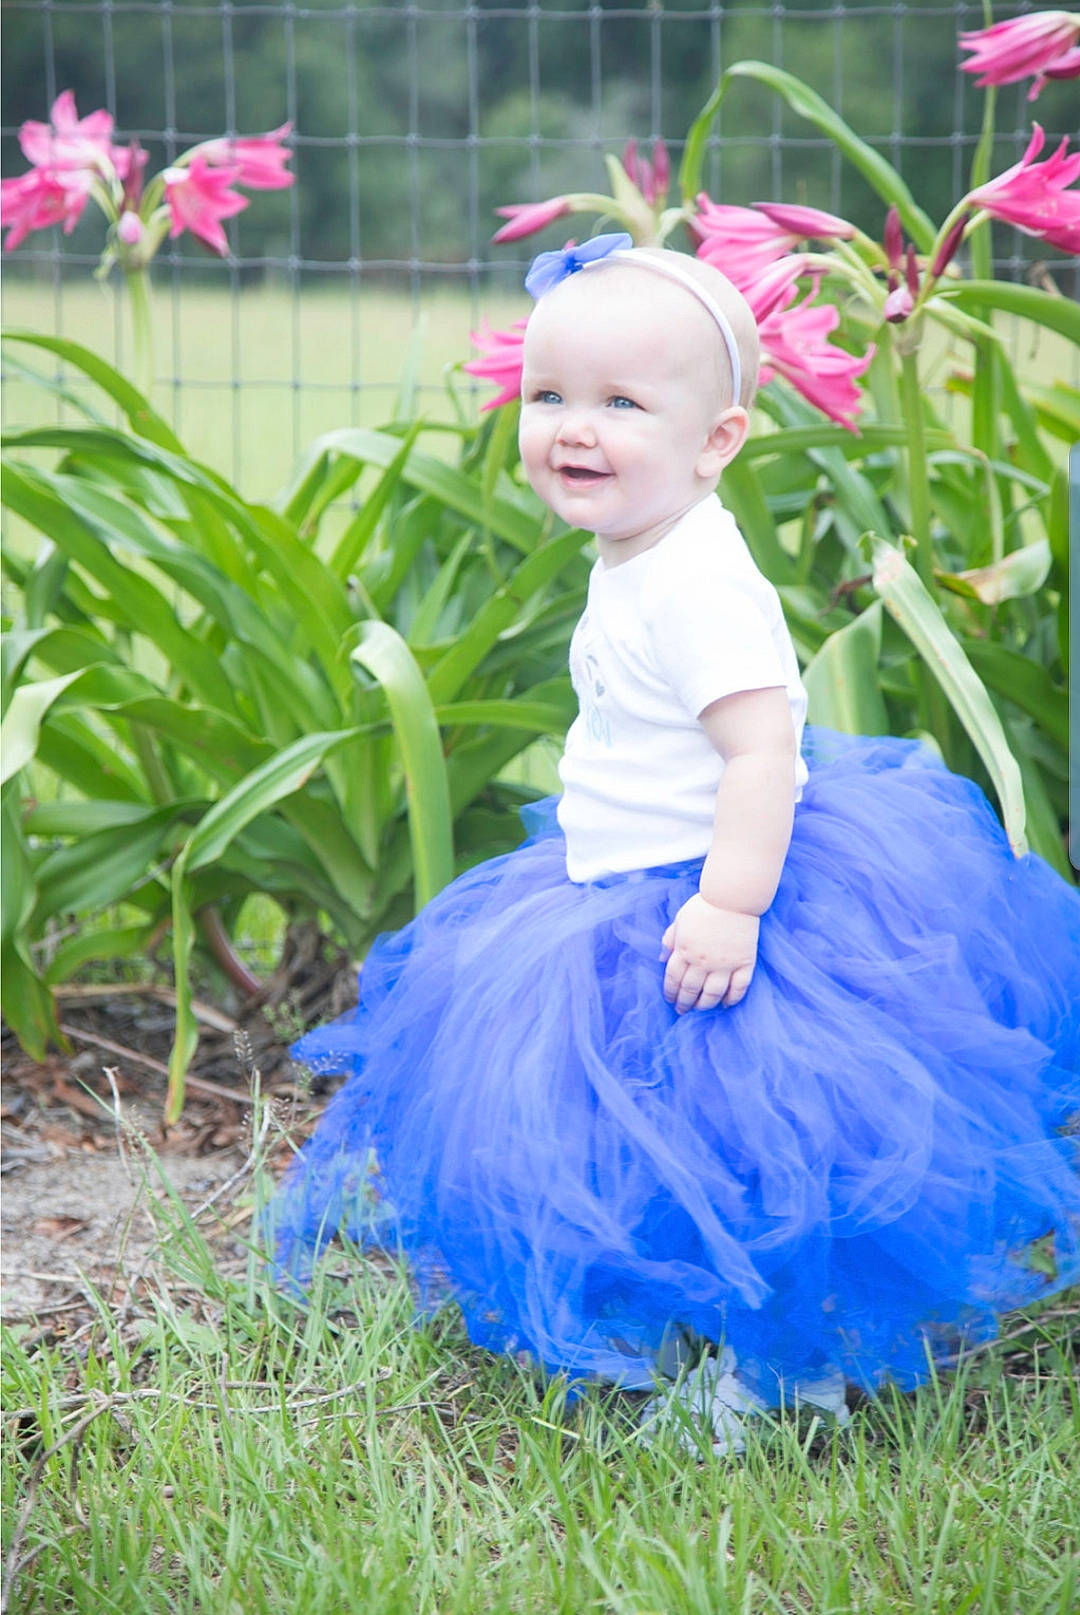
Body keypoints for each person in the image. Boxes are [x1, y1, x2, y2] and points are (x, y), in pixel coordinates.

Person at [269, 236, 1080, 1449]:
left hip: (717, 896)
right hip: (617, 883)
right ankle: (671, 1313)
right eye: (550, 396)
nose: (573, 429)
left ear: (718, 441)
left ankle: (779, 1370)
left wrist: (732, 902)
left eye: (621, 403)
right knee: (641, 1134)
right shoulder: (640, 549)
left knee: (749, 1145)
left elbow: (762, 752)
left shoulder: (695, 582)